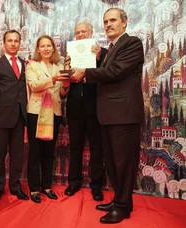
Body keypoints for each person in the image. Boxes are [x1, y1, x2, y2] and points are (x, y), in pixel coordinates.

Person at [71, 8, 144, 224]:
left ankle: (122, 207)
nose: (108, 24)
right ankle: (120, 202)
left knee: (123, 163)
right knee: (113, 162)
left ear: (124, 23)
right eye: (105, 21)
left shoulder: (132, 43)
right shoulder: (111, 48)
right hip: (109, 114)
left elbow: (115, 72)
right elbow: (108, 70)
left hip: (124, 114)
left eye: (113, 20)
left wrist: (85, 72)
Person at [63, 20, 107, 201]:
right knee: (75, 147)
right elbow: (65, 81)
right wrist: (67, 69)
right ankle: (73, 182)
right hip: (74, 107)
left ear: (91, 32)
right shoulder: (69, 54)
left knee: (97, 148)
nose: (80, 35)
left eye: (83, 32)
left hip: (95, 107)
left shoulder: (102, 53)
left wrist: (97, 59)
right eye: (77, 32)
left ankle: (96, 186)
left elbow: (108, 74)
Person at [0, 30, 29, 202]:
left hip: (20, 117)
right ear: (3, 43)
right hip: (1, 118)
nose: (13, 43)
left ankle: (16, 187)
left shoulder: (26, 64)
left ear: (20, 43)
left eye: (16, 40)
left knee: (18, 155)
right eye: (10, 40)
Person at [26, 35, 68, 203]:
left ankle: (47, 186)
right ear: (38, 49)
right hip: (36, 113)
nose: (46, 48)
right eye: (42, 46)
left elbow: (62, 94)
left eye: (49, 45)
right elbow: (34, 86)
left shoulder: (59, 66)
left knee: (49, 152)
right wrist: (53, 79)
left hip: (54, 113)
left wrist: (65, 86)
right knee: (35, 152)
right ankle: (35, 188)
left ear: (53, 48)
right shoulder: (32, 65)